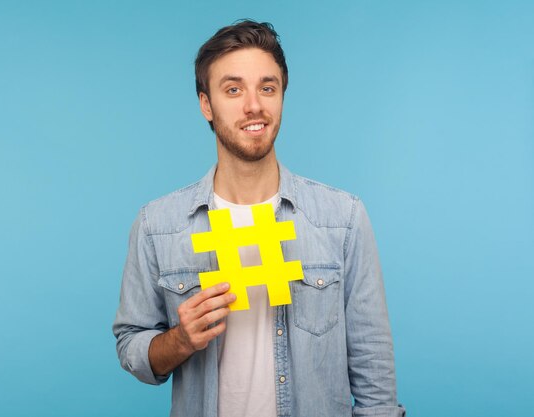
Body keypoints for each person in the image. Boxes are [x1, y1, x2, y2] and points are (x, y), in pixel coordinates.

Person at [113, 20, 405, 417]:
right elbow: (131, 346)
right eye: (233, 89)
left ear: (282, 96)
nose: (254, 105)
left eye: (267, 87)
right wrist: (181, 340)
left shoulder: (343, 218)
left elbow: (373, 365)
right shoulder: (157, 225)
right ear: (206, 105)